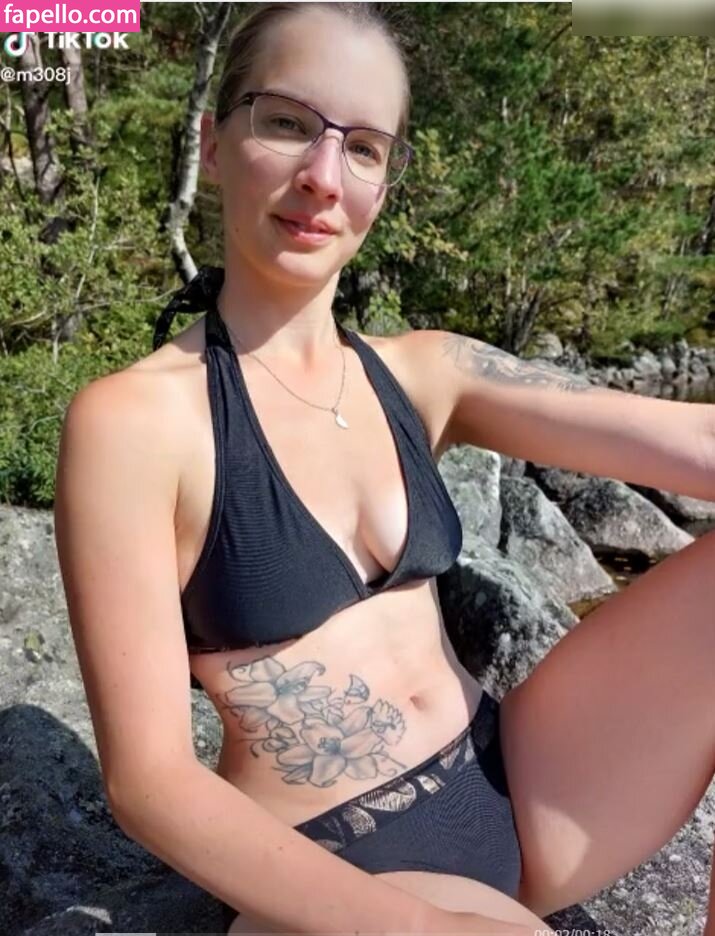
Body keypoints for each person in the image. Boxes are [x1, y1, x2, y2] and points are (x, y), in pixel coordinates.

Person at [54, 4, 715, 936]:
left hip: (519, 779)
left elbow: (694, 443)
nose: (322, 177)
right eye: (288, 122)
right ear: (212, 141)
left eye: (362, 147)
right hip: (338, 861)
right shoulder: (134, 422)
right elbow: (148, 782)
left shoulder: (425, 374)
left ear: (385, 180)